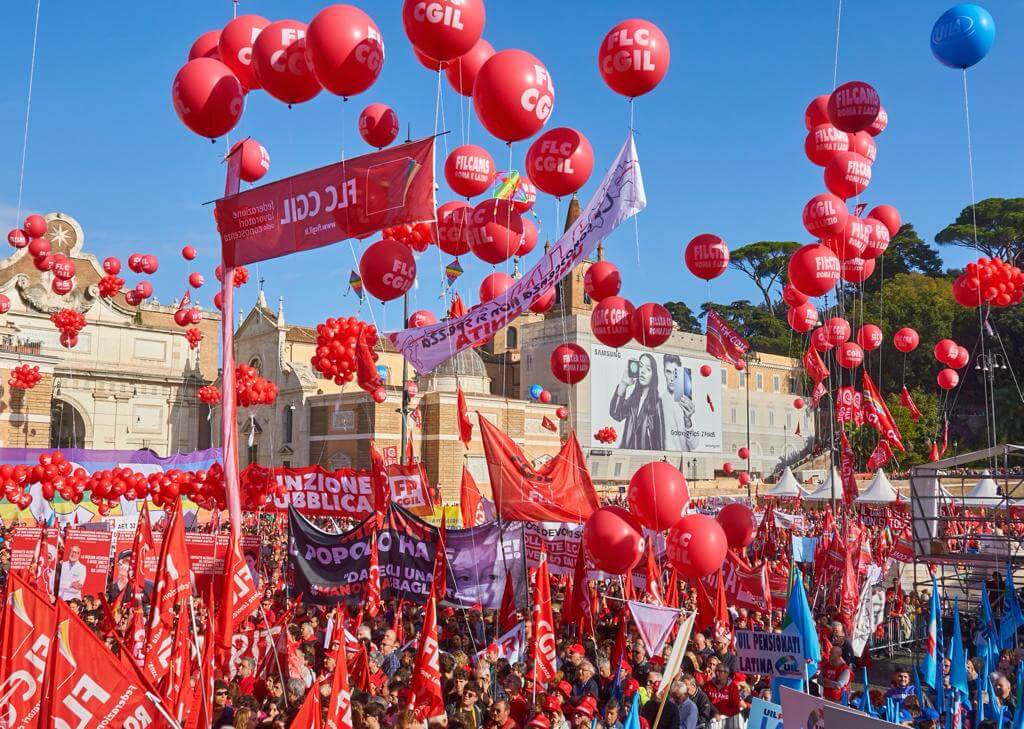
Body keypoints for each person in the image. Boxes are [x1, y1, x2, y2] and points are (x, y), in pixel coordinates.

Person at [609, 353, 665, 450]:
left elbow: (659, 440)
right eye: (640, 367)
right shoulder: (633, 399)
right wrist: (624, 383)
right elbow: (616, 414)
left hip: (645, 458)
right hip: (625, 455)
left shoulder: (656, 403)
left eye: (648, 369)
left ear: (653, 375)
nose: (643, 371)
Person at [663, 355, 699, 451]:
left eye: (674, 373)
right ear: (664, 372)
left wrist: (688, 421)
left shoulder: (685, 401)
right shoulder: (660, 400)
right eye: (668, 372)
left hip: (682, 459)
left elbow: (694, 445)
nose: (671, 378)